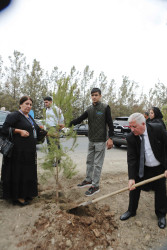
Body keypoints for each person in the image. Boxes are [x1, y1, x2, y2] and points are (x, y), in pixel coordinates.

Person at [120, 113, 167, 229]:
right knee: (134, 188)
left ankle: (161, 215)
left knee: (160, 190)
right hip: (143, 167)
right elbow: (131, 159)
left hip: (158, 167)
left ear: (143, 124)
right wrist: (131, 178)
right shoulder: (131, 137)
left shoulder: (158, 129)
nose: (132, 129)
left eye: (134, 127)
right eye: (130, 126)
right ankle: (131, 210)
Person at [69, 88, 114, 196]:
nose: (94, 97)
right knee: (89, 161)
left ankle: (95, 186)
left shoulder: (105, 108)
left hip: (100, 141)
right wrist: (67, 124)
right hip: (91, 140)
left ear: (100, 96)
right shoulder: (89, 109)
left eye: (96, 95)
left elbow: (110, 123)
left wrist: (110, 138)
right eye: (92, 95)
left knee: (97, 164)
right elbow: (79, 119)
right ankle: (88, 180)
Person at [1, 96, 43, 206]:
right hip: (17, 152)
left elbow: (38, 131)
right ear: (20, 104)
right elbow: (4, 129)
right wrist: (19, 131)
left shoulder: (29, 118)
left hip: (28, 153)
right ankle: (18, 197)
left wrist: (51, 132)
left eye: (30, 104)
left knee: (27, 173)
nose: (28, 106)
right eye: (26, 104)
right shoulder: (14, 115)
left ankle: (27, 194)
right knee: (19, 173)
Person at [44, 96, 64, 165]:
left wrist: (59, 129)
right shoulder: (47, 110)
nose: (45, 104)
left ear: (51, 102)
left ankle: (58, 161)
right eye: (44, 102)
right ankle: (51, 160)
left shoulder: (56, 109)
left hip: (55, 128)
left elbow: (61, 119)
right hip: (48, 128)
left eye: (46, 102)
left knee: (56, 145)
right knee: (49, 145)